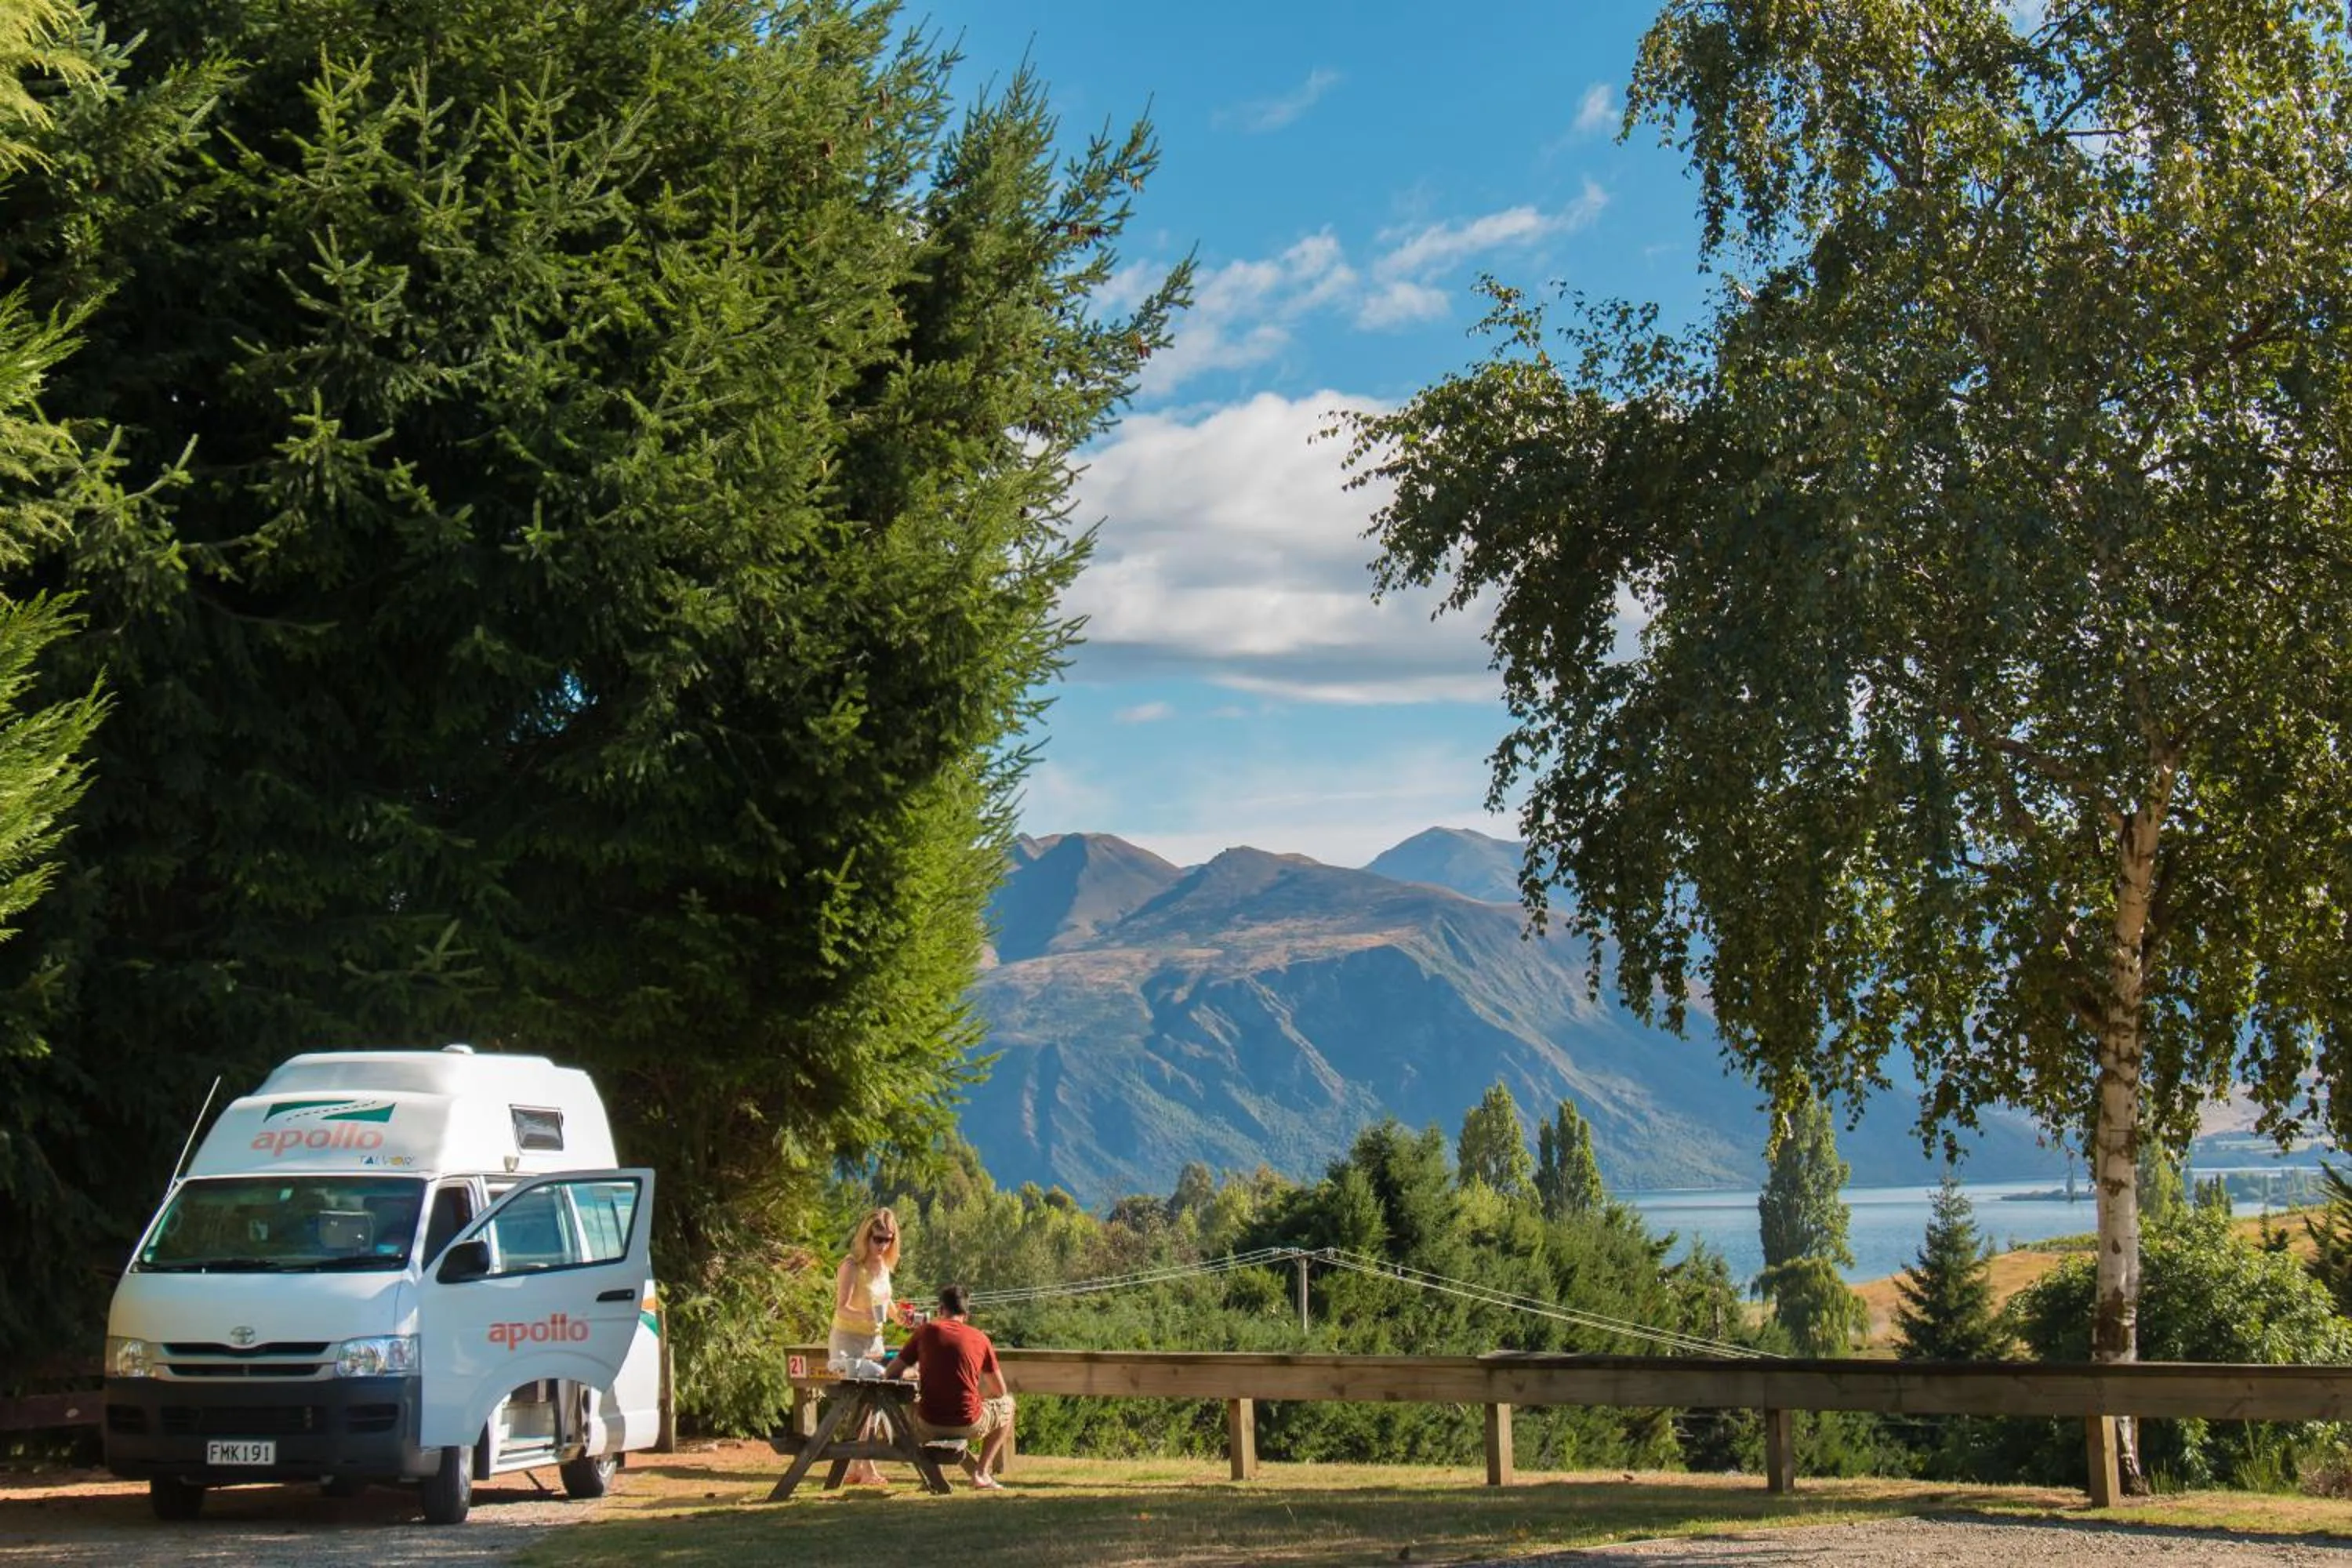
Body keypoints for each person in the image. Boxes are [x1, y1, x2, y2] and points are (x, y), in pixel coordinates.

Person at [885, 1283, 1014, 1490]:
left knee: (911, 1403)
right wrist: (978, 1397)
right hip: (969, 1422)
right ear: (966, 1314)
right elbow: (1000, 1390)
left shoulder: (925, 1332)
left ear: (940, 1310)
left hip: (928, 1423)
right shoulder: (980, 1338)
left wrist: (914, 1372)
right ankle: (981, 1473)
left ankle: (932, 1475)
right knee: (1008, 1404)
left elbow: (891, 1372)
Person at [829, 1207, 900, 1485]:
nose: (882, 1245)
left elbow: (887, 1302)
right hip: (848, 1341)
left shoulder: (884, 1267)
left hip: (874, 1342)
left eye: (888, 1240)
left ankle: (858, 1467)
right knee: (865, 1400)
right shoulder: (851, 1266)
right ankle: (866, 1467)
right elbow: (842, 1308)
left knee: (871, 1405)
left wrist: (901, 1317)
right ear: (865, 1237)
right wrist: (868, 1315)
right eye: (877, 1239)